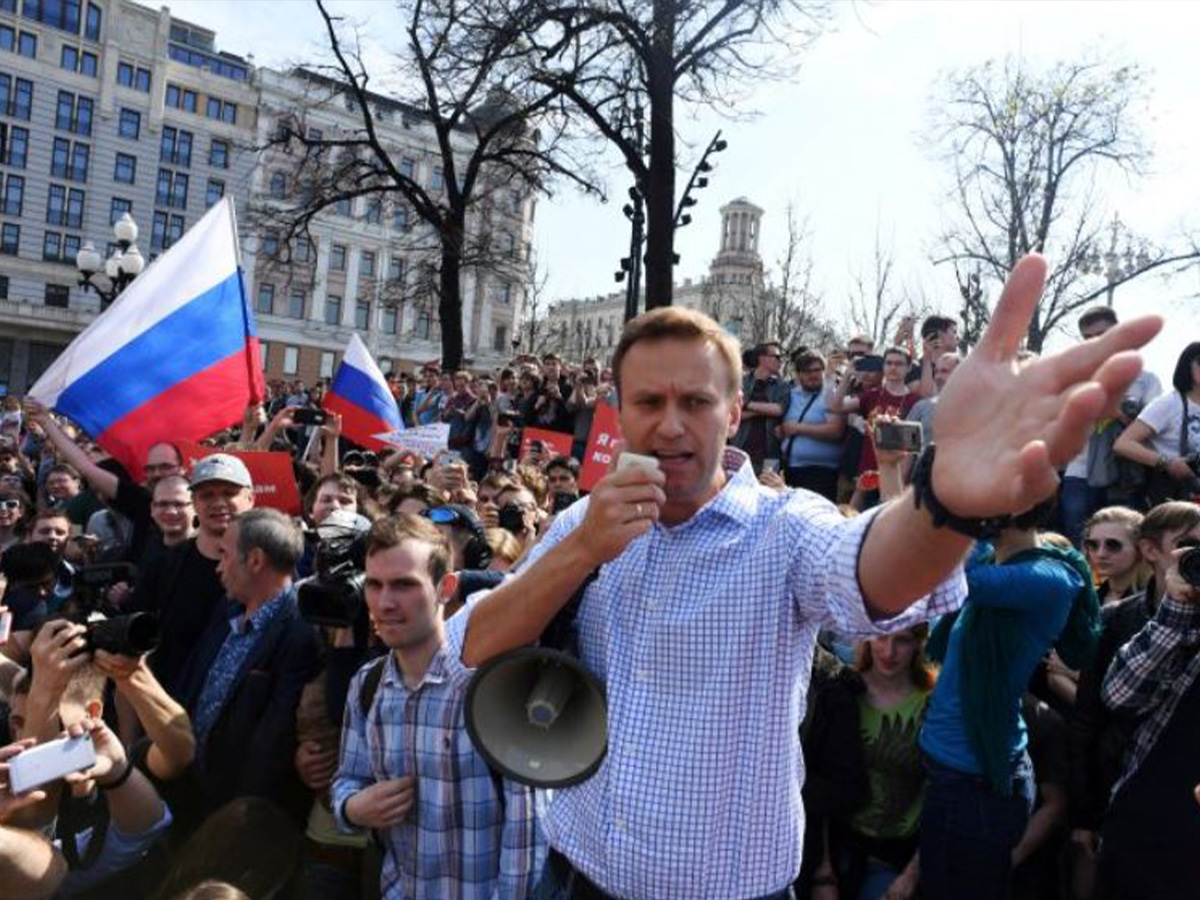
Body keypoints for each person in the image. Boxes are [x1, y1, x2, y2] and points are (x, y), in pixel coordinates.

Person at [458, 255, 1160, 900]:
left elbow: (871, 576)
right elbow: (473, 647)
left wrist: (943, 501)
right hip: (574, 871)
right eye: (648, 403)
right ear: (620, 409)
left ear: (734, 413)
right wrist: (583, 548)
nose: (670, 426)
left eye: (695, 402)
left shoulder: (784, 527)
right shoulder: (583, 521)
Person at [331, 515, 542, 900]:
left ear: (445, 588)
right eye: (374, 584)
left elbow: (527, 841)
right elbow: (348, 778)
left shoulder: (491, 687)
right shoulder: (367, 685)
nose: (385, 602)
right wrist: (353, 809)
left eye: (404, 585)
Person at [919, 514, 1099, 900]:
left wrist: (968, 521)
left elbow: (947, 576)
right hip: (955, 773)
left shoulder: (1047, 577)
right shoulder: (993, 561)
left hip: (975, 785)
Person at [1068, 500, 1200, 900]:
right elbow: (1113, 701)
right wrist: (1087, 813)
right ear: (1151, 550)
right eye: (1192, 545)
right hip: (1139, 817)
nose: (1101, 554)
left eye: (1113, 544)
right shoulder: (1122, 619)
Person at [175, 509, 321, 825]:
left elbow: (274, 741)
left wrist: (238, 816)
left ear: (255, 560)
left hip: (237, 812)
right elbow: (193, 683)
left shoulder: (299, 633)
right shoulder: (227, 608)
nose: (218, 566)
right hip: (190, 790)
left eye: (225, 555)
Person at [811, 625, 935, 900]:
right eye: (881, 636)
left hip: (900, 855)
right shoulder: (843, 692)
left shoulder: (932, 703)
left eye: (902, 640)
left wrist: (912, 875)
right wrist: (823, 871)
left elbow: (939, 795)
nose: (889, 652)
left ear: (918, 643)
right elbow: (821, 786)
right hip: (841, 846)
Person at [129, 455, 256, 697]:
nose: (218, 502)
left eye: (229, 493)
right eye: (207, 495)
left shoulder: (266, 565)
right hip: (171, 705)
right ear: (194, 502)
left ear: (250, 498)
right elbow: (138, 644)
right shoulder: (163, 565)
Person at [1059, 307, 1161, 540]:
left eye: (1102, 334)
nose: (1096, 342)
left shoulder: (1146, 380)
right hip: (1079, 470)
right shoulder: (1073, 377)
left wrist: (1115, 410)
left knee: (1123, 539)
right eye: (1088, 338)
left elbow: (1151, 431)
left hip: (1124, 475)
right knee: (1076, 539)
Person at [1113, 340, 1200, 506]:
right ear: (1187, 367)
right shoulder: (1169, 404)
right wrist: (1167, 463)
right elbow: (1123, 444)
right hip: (1174, 498)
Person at [780, 349, 844, 501]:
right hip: (791, 470)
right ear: (798, 374)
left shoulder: (831, 395)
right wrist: (781, 430)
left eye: (817, 370)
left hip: (822, 473)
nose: (813, 375)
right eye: (807, 371)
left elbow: (836, 431)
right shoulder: (790, 395)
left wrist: (797, 428)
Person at [731, 341, 792, 473]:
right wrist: (764, 410)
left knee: (769, 485)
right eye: (777, 357)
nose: (780, 361)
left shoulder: (782, 386)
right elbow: (733, 414)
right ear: (762, 358)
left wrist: (747, 404)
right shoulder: (742, 382)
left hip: (771, 454)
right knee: (737, 484)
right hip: (739, 450)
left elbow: (779, 410)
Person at [1081, 506, 1146, 604]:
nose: (1100, 554)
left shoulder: (1154, 600)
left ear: (1140, 549)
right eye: (1093, 545)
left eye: (1113, 545)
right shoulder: (1087, 598)